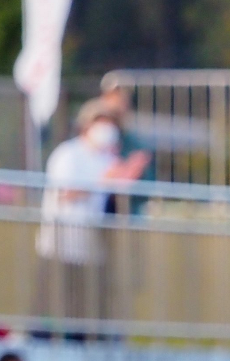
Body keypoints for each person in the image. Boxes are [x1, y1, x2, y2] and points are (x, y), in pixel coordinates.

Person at [37, 99, 149, 320]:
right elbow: (66, 193)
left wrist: (127, 177)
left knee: (91, 311)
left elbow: (115, 198)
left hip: (94, 249)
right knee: (56, 310)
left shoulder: (109, 159)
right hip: (62, 246)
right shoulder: (69, 154)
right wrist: (103, 182)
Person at [98, 80, 156, 213]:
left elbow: (146, 182)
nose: (116, 104)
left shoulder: (135, 144)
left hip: (126, 212)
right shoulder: (91, 139)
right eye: (111, 98)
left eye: (121, 99)